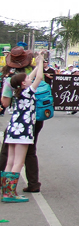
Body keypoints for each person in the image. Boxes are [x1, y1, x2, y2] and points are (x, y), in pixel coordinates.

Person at [0, 50, 50, 193]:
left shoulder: (14, 86)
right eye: (27, 80)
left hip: (13, 127)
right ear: (24, 83)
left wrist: (39, 62)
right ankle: (10, 192)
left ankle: (5, 189)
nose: (30, 79)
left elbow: (30, 77)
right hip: (24, 129)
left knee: (9, 160)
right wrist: (40, 62)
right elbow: (39, 77)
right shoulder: (28, 92)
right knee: (19, 162)